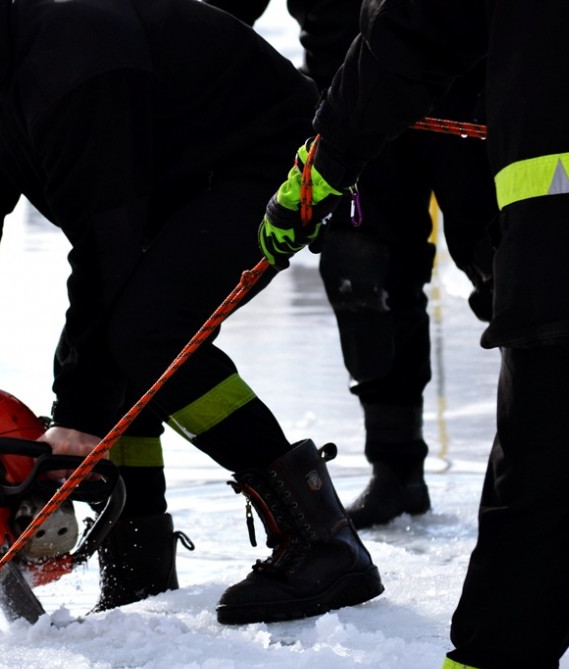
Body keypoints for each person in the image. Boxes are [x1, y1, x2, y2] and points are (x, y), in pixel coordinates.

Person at [0, 0, 386, 626]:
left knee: (147, 336)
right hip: (168, 185)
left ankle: (322, 542)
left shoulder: (74, 64)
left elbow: (107, 249)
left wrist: (78, 418)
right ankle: (136, 564)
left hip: (268, 166)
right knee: (114, 343)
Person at [259, 0, 569, 669]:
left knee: (515, 597)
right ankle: (396, 467)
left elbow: (412, 29)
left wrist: (321, 166)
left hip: (557, 257)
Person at [207, 0, 497, 528]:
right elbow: (223, 13)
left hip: (467, 93)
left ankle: (548, 459)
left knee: (506, 273)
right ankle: (395, 469)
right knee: (361, 278)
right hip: (347, 101)